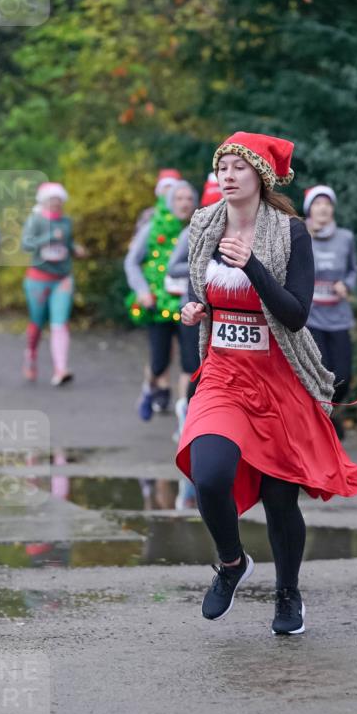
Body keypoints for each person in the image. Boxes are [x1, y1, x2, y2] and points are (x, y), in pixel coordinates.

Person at [175, 132, 357, 637]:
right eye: (223, 166)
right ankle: (232, 562)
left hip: (281, 379)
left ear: (260, 176)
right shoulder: (204, 225)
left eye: (240, 167)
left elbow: (296, 313)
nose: (228, 175)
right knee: (209, 473)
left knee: (281, 499)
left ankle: (288, 593)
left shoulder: (290, 232)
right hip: (223, 374)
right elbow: (204, 297)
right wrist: (195, 312)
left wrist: (253, 265)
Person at [167, 173, 222, 509]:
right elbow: (173, 267)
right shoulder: (195, 230)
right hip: (197, 315)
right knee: (196, 372)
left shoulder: (249, 230)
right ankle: (188, 420)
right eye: (214, 199)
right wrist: (199, 276)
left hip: (228, 321)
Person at [125, 179, 198, 420]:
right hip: (157, 304)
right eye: (179, 198)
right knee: (159, 363)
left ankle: (184, 418)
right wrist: (142, 291)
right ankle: (150, 388)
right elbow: (132, 262)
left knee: (190, 364)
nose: (184, 203)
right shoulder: (152, 228)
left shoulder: (200, 227)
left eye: (189, 199)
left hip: (188, 304)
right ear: (169, 202)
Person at [304, 185, 357, 440]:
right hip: (311, 317)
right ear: (309, 209)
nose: (323, 208)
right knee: (321, 373)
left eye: (327, 203)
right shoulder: (299, 235)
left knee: (343, 376)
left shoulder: (346, 238)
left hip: (338, 316)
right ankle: (321, 422)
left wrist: (346, 285)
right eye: (317, 203)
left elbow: (353, 269)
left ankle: (329, 413)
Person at [20, 182, 86, 386]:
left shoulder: (66, 221)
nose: (56, 203)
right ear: (44, 201)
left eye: (59, 200)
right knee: (37, 323)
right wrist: (48, 237)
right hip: (38, 278)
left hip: (62, 278)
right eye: (52, 200)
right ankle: (30, 355)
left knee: (60, 323)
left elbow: (66, 243)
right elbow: (26, 244)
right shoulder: (36, 220)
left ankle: (61, 369)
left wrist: (76, 249)